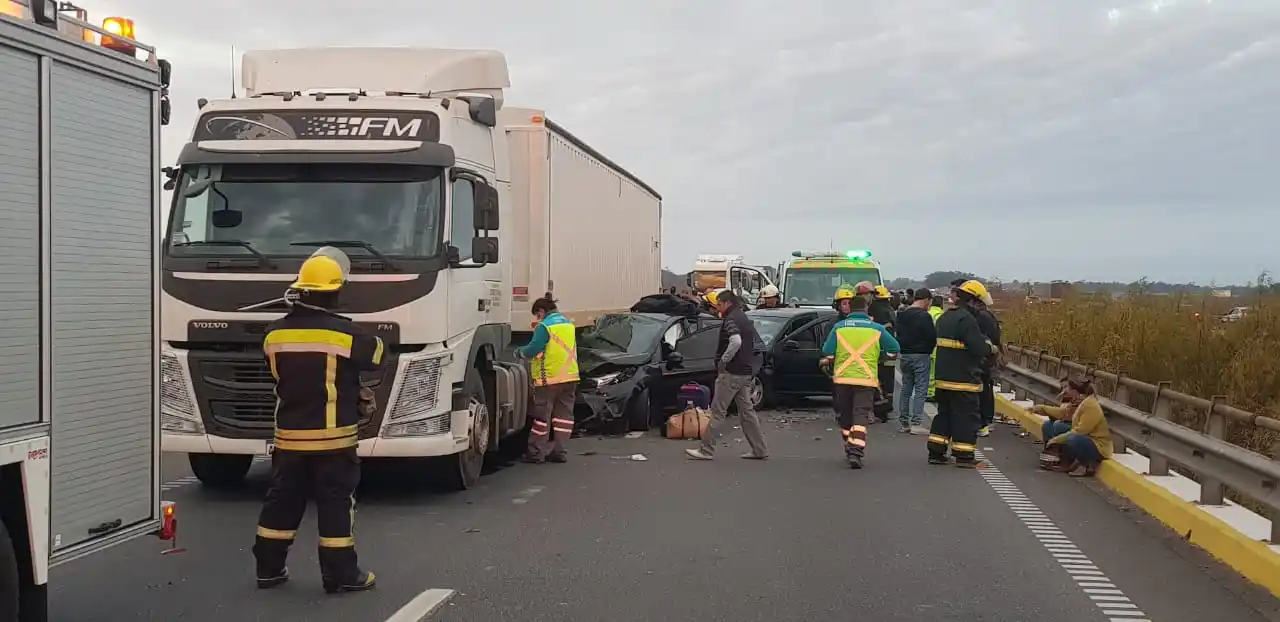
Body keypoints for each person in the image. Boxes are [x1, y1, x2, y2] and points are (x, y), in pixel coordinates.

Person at [254, 249, 382, 594]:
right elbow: (377, 354)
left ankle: (268, 568)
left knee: (282, 500)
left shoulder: (272, 335)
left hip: (289, 439)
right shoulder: (347, 335)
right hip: (333, 440)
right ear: (335, 292)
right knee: (335, 504)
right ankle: (340, 574)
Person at [820, 291, 900, 468]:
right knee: (860, 416)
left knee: (845, 417)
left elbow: (827, 350)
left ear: (850, 309)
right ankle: (856, 451)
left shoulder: (839, 327)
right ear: (866, 308)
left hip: (842, 379)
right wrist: (880, 355)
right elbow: (894, 348)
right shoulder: (876, 328)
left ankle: (850, 446)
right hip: (865, 380)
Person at [686, 290, 769, 460]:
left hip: (731, 373)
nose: (718, 307)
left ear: (727, 303)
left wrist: (724, 361)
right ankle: (759, 449)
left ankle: (706, 450)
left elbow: (735, 341)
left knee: (718, 412)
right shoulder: (743, 317)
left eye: (719, 304)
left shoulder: (731, 319)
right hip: (745, 372)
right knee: (747, 412)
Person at [927, 280, 998, 468]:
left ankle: (936, 452)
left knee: (944, 416)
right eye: (979, 303)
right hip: (963, 379)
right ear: (973, 301)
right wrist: (990, 347)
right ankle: (964, 456)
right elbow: (978, 348)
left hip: (943, 378)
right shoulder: (967, 320)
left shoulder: (945, 317)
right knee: (966, 418)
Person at [517, 294, 580, 464]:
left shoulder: (544, 326)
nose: (537, 319)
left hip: (549, 380)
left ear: (541, 311)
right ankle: (560, 451)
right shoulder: (568, 324)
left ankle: (536, 453)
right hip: (570, 377)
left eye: (537, 315)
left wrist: (520, 352)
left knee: (541, 418)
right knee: (563, 417)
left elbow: (534, 348)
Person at [949, 278, 1000, 437]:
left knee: (983, 392)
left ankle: (983, 421)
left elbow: (988, 341)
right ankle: (982, 422)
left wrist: (988, 355)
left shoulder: (980, 317)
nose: (953, 296)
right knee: (981, 392)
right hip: (974, 363)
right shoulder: (970, 316)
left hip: (980, 362)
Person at [1034, 376, 1112, 477]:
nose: (1065, 390)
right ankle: (1058, 458)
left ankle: (1084, 465)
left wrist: (1056, 439)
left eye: (1067, 388)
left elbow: (1081, 431)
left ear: (1075, 391)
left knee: (1072, 438)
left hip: (1098, 445)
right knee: (1050, 426)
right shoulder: (1078, 401)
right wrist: (1042, 408)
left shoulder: (1090, 405)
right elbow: (1063, 413)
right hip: (1085, 437)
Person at [894, 288, 936, 435]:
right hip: (921, 355)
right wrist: (928, 349)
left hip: (905, 355)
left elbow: (898, 333)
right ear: (926, 300)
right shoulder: (924, 316)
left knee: (906, 389)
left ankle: (904, 422)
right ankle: (916, 422)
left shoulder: (901, 314)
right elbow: (931, 336)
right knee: (920, 389)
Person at [868, 284, 897, 421]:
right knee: (888, 380)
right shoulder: (890, 310)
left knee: (876, 379)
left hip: (876, 350)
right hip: (890, 351)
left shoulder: (872, 309)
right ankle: (887, 406)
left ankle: (879, 409)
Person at [926, 294, 945, 402]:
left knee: (928, 371)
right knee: (934, 372)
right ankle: (932, 392)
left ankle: (927, 391)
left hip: (927, 346)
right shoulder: (941, 315)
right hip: (937, 347)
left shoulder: (927, 313)